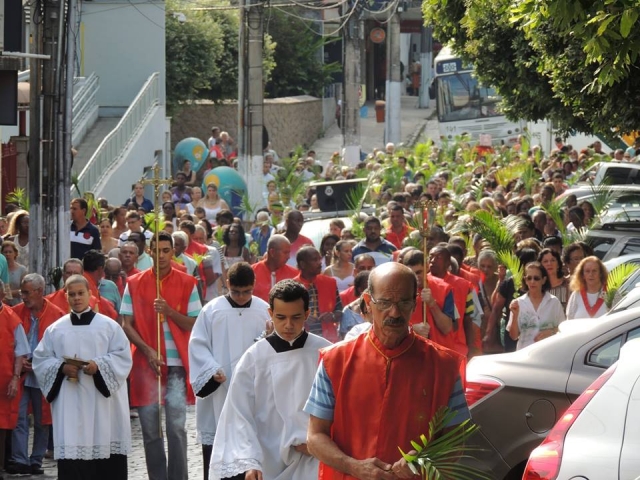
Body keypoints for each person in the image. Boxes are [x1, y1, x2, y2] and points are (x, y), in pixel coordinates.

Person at [304, 262, 469, 479]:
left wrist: (424, 462)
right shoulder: (335, 361)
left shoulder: (443, 365)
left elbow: (457, 439)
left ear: (415, 303)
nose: (395, 312)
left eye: (403, 302)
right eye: (384, 303)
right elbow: (315, 437)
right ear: (367, 304)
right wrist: (354, 466)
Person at [210, 279, 332, 480]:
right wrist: (250, 461)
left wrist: (323, 443)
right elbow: (239, 413)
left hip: (314, 457)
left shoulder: (325, 353)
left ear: (307, 314)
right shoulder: (255, 358)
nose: (288, 325)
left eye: (296, 317)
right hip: (268, 458)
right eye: (281, 317)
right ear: (270, 314)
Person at [33, 275, 132, 479]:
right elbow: (41, 360)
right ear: (65, 296)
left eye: (81, 293)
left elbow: (123, 357)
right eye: (72, 294)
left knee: (106, 459)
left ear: (90, 294)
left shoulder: (109, 327)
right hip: (70, 405)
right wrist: (61, 367)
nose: (77, 298)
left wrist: (99, 365)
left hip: (104, 408)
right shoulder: (56, 329)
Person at [121, 231, 201, 480]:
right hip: (146, 364)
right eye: (156, 250)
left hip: (176, 365)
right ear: (150, 251)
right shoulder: (134, 282)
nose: (161, 255)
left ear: (172, 252)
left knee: (176, 430)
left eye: (166, 250)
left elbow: (194, 323)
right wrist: (147, 350)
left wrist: (169, 312)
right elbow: (126, 324)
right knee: (150, 431)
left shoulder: (188, 282)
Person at [188, 262, 270, 480]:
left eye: (246, 292)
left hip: (253, 393)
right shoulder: (212, 310)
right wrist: (211, 371)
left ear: (254, 285)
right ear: (227, 285)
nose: (241, 297)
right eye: (236, 292)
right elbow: (197, 345)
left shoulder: (264, 310)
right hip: (219, 392)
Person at [9, 274, 66, 476]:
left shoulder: (57, 315)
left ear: (40, 291)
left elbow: (61, 348)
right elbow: (10, 342)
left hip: (44, 375)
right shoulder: (15, 312)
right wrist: (18, 361)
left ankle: (36, 459)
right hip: (22, 373)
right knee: (19, 417)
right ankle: (20, 460)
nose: (22, 296)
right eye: (22, 292)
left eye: (26, 292)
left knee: (43, 419)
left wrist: (43, 363)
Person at [0, 280, 29, 476]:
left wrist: (15, 377)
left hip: (4, 381)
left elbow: (21, 351)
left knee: (2, 426)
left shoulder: (11, 318)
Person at [507, 262, 565, 350]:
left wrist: (551, 332)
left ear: (543, 280)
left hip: (549, 353)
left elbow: (563, 329)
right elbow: (514, 336)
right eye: (529, 278)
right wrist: (515, 315)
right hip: (525, 354)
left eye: (536, 278)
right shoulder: (518, 303)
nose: (532, 281)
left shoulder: (554, 302)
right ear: (525, 280)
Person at [294, 246, 342, 343]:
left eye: (319, 259)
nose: (320, 263)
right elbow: (285, 316)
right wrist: (301, 318)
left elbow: (340, 311)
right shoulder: (292, 286)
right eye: (314, 260)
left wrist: (332, 316)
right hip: (300, 341)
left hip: (328, 340)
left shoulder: (330, 283)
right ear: (302, 264)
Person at [251, 235, 299, 302]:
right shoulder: (251, 272)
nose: (288, 257)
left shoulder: (295, 275)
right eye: (285, 253)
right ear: (272, 252)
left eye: (289, 253)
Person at [1, 240, 27, 306]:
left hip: (17, 304)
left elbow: (25, 289)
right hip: (3, 304)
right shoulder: (1, 269)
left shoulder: (22, 270)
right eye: (5, 252)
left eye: (10, 252)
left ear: (15, 253)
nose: (7, 254)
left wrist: (9, 293)